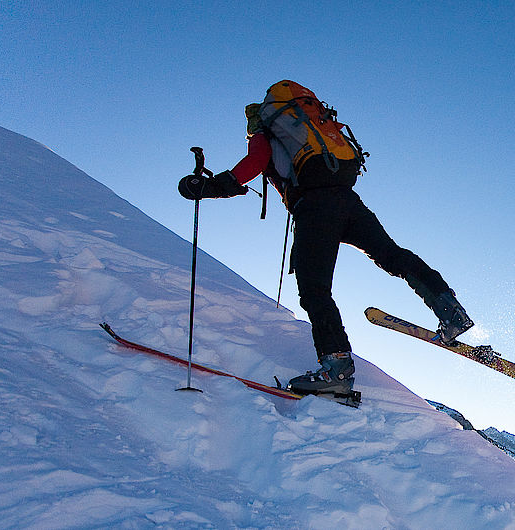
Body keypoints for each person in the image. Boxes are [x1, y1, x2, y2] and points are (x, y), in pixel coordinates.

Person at [179, 80, 473, 397]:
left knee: (314, 286)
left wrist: (210, 188)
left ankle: (336, 369)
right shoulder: (309, 131)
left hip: (314, 208)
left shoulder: (265, 133)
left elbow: (254, 162)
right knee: (392, 255)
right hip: (347, 200)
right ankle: (450, 309)